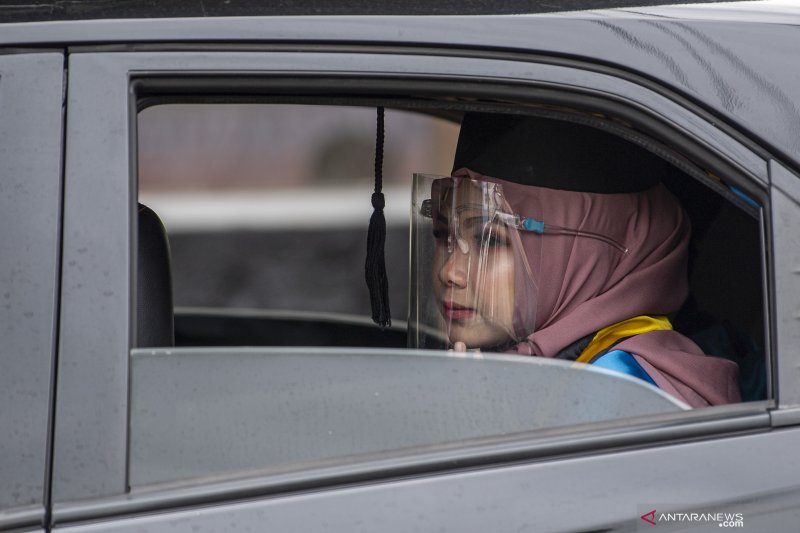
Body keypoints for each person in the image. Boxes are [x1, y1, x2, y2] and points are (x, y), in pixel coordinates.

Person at [409, 112, 740, 407]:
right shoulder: (529, 367)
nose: (450, 271)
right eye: (442, 235)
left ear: (587, 257)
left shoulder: (631, 396)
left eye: (489, 239)